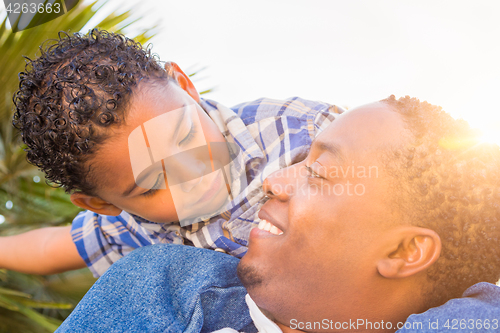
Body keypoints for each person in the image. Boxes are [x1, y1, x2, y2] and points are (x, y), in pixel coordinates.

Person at [56, 96, 500, 332]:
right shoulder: (163, 285)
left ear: (406, 250)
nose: (273, 180)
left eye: (319, 172)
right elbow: (69, 242)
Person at [1, 29, 344, 277]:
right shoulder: (131, 225)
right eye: (152, 185)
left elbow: (392, 162)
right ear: (102, 204)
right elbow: (51, 248)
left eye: (186, 135)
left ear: (186, 87)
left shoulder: (295, 130)